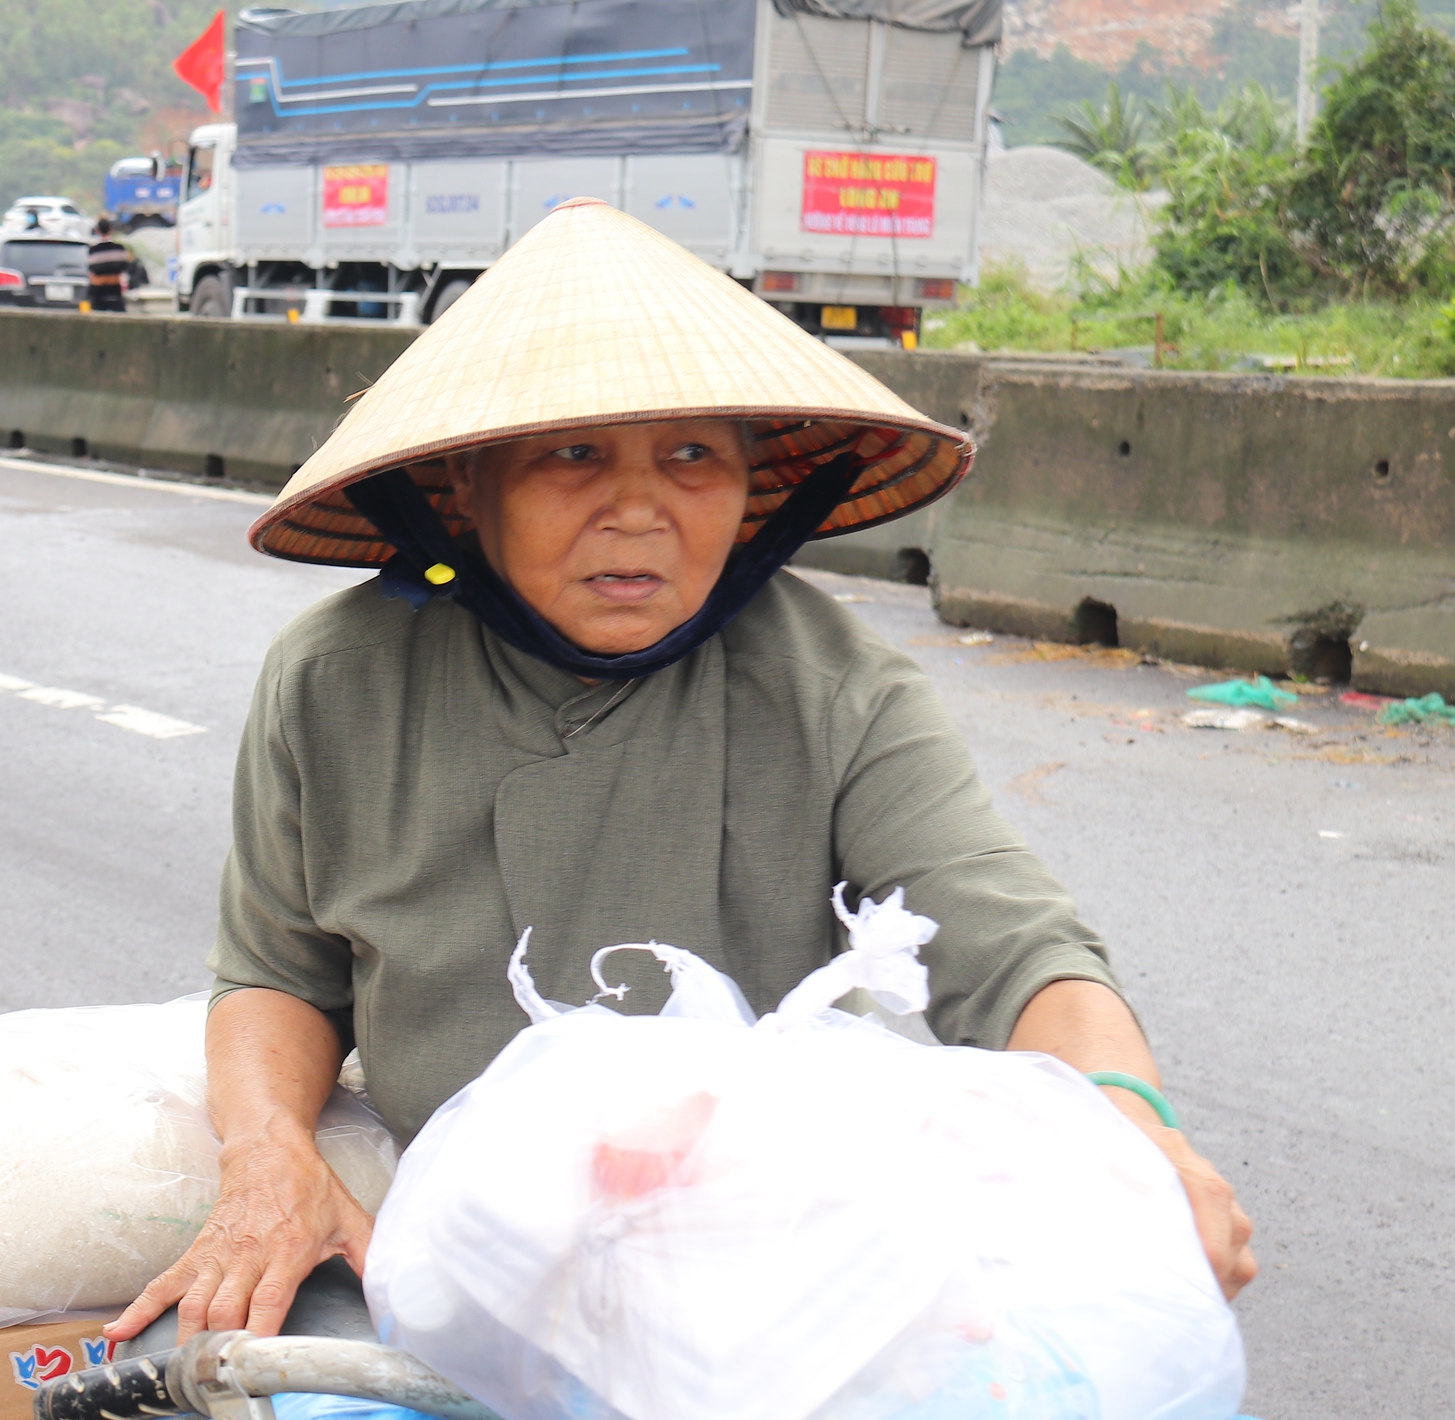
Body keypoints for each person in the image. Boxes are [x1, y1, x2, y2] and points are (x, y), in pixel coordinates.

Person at [104, 200, 1255, 1347]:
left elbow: (1012, 946)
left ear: (755, 489)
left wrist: (1126, 1120)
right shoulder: (336, 679)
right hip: (443, 1240)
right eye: (572, 456)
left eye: (692, 457)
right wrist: (270, 1159)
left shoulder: (835, 688)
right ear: (468, 489)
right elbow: (275, 973)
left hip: (758, 1252)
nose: (639, 510)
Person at [86, 217, 145, 312]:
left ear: (97, 231)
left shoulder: (93, 251)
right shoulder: (119, 249)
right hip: (115, 293)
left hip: (98, 295)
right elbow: (127, 267)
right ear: (111, 229)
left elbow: (91, 270)